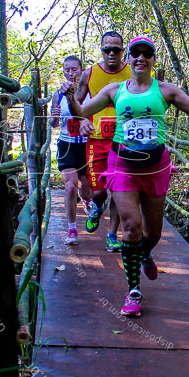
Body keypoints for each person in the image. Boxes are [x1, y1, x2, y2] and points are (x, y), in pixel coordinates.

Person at [65, 36, 189, 317]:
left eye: (146, 54)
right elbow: (80, 111)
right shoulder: (114, 90)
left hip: (154, 167)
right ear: (128, 59)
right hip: (122, 166)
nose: (140, 58)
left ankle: (145, 252)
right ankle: (133, 291)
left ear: (153, 60)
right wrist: (70, 96)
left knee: (152, 234)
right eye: (135, 54)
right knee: (131, 227)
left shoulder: (166, 91)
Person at [77, 31, 130, 252]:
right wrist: (80, 121)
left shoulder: (133, 72)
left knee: (118, 190)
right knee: (98, 191)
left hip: (124, 142)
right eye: (106, 49)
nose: (111, 53)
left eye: (116, 50)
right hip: (96, 141)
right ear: (101, 49)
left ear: (122, 50)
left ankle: (112, 235)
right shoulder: (89, 74)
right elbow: (76, 104)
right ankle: (97, 208)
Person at [49, 55, 94, 245]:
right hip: (67, 145)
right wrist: (54, 116)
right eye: (67, 69)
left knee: (86, 188)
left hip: (86, 145)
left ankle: (86, 200)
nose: (70, 73)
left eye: (74, 69)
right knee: (70, 186)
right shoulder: (57, 94)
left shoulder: (91, 92)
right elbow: (53, 124)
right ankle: (72, 229)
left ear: (81, 70)